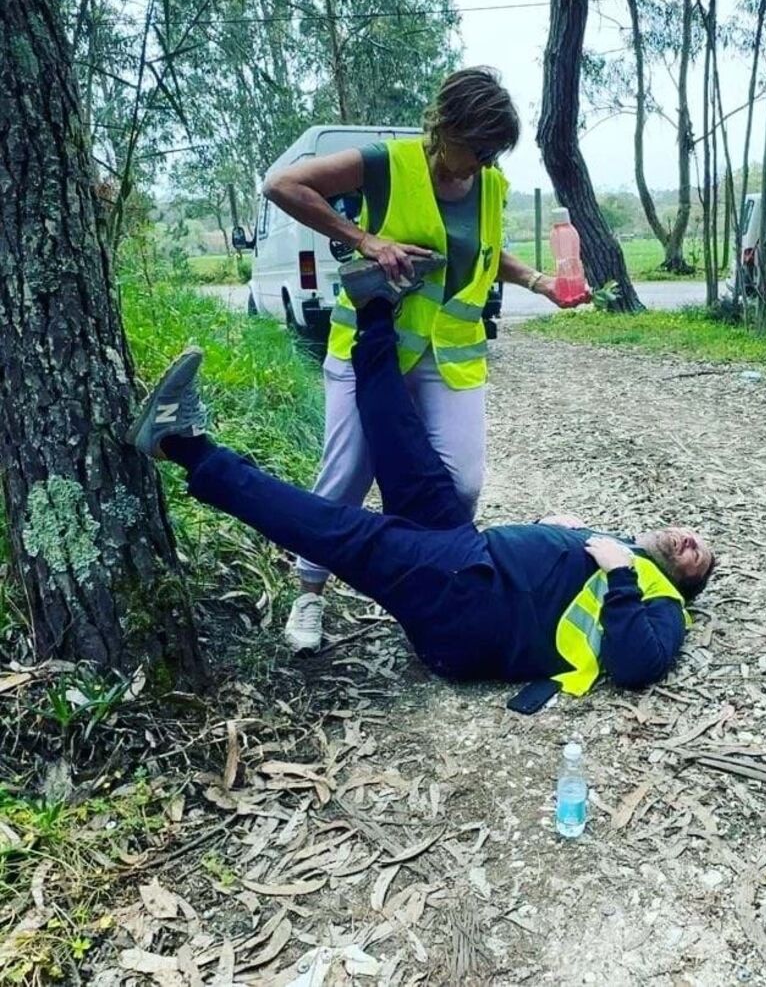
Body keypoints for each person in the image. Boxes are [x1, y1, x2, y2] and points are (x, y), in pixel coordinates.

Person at [125, 286, 714, 697]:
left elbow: (638, 663)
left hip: (467, 605)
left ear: (685, 584)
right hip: (468, 553)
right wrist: (561, 535)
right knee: (404, 447)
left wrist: (620, 573)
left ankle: (180, 445)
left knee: (339, 531)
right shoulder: (620, 546)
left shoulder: (659, 598)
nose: (690, 540)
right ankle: (374, 307)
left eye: (697, 556)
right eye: (694, 533)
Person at [262, 67, 590, 653]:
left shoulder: (489, 184)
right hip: (372, 350)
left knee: (460, 483)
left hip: (450, 359)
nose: (484, 163)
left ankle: (424, 576)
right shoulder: (386, 163)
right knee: (348, 473)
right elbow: (282, 185)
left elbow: (486, 251)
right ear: (446, 127)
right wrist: (365, 240)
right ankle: (309, 590)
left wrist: (540, 282)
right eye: (478, 148)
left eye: (494, 152)